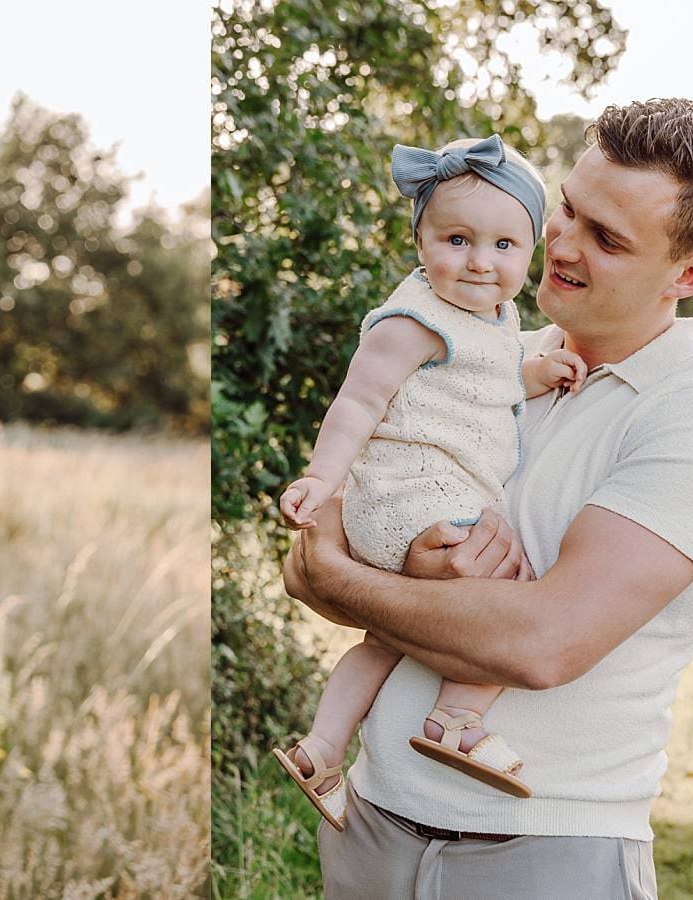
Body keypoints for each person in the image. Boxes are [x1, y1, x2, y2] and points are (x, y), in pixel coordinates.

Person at [284, 98, 693, 898]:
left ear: (689, 274)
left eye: (607, 238)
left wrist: (352, 583)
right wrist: (365, 573)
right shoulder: (478, 351)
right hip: (370, 825)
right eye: (569, 208)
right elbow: (309, 554)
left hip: (545, 852)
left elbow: (540, 646)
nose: (562, 244)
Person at [272, 136, 588, 830]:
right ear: (418, 238)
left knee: (384, 641)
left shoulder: (495, 321)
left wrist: (536, 375)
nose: (480, 260)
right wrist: (320, 480)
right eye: (456, 238)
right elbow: (358, 402)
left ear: (531, 248)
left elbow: (484, 382)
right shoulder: (411, 318)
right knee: (514, 593)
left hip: (415, 508)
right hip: (411, 501)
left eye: (505, 244)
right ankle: (457, 717)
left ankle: (320, 749)